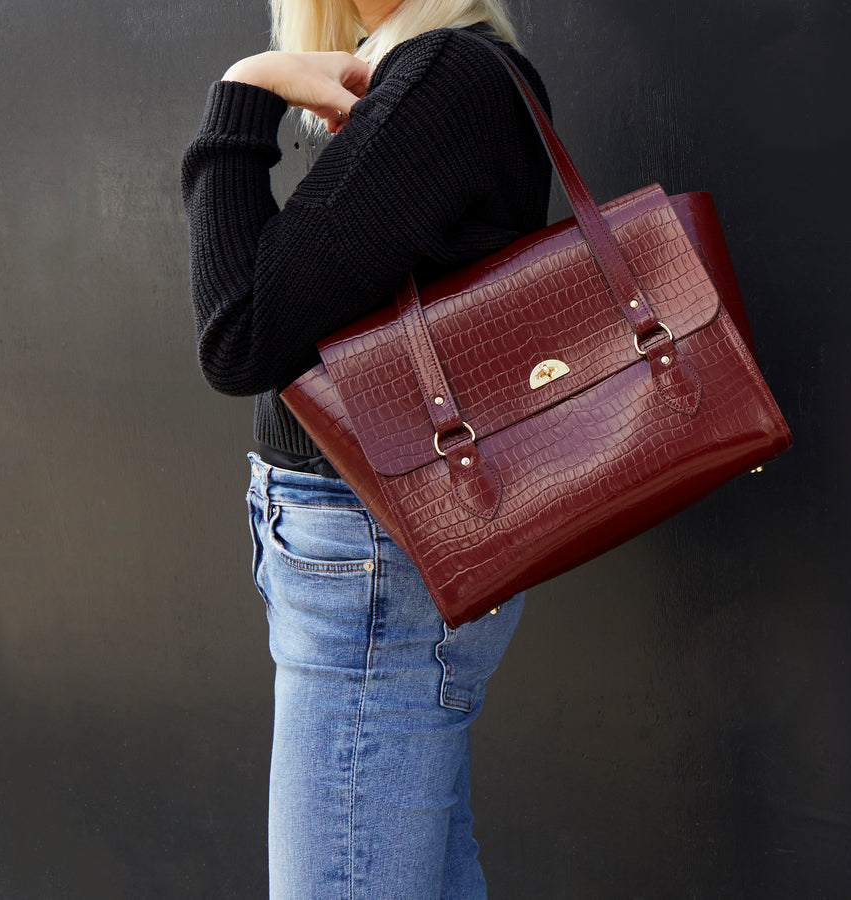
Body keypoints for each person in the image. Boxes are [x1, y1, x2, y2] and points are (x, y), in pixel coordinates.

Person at [181, 0, 553, 896]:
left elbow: (239, 334)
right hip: (381, 552)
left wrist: (244, 91)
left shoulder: (442, 77)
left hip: (375, 558)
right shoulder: (447, 73)